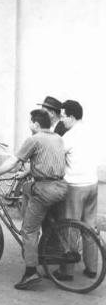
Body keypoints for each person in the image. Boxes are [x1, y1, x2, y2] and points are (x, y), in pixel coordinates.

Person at [0, 109, 68, 290]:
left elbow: (13, 160)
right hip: (60, 187)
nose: (29, 125)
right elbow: (49, 161)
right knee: (26, 188)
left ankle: (30, 272)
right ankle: (45, 246)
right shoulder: (57, 138)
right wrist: (27, 172)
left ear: (36, 124)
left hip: (45, 189)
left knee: (28, 231)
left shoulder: (34, 139)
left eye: (30, 122)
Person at [60, 100, 99, 278]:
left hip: (76, 186)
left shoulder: (69, 137)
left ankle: (67, 271)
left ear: (72, 116)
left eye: (63, 116)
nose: (62, 120)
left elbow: (57, 156)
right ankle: (91, 268)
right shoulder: (90, 132)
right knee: (89, 227)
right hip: (92, 184)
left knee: (71, 228)